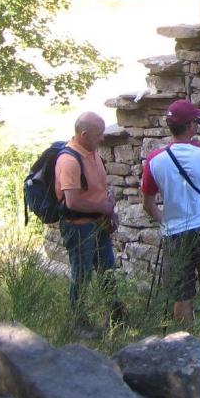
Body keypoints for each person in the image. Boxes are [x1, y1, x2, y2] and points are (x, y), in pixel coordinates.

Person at [141, 99, 200, 367]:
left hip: (175, 232)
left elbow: (148, 204)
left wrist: (164, 220)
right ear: (191, 126)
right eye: (198, 121)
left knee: (181, 292)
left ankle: (189, 349)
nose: (199, 125)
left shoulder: (154, 161)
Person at [55, 111, 123, 339]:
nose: (102, 138)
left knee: (107, 270)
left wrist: (108, 209)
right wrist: (101, 208)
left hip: (99, 223)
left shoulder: (92, 153)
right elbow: (72, 201)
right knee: (82, 275)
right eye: (98, 134)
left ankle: (117, 316)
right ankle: (78, 322)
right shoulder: (69, 160)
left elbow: (98, 189)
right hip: (79, 227)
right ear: (83, 134)